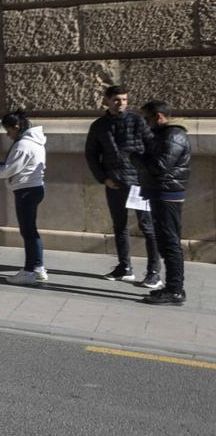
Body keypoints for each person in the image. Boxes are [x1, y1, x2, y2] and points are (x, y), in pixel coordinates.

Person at [85, 85, 160, 287]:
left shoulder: (137, 120)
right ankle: (124, 267)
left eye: (125, 100)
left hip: (139, 182)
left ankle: (154, 271)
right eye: (117, 100)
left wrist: (147, 174)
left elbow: (152, 147)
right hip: (114, 182)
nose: (122, 103)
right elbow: (91, 154)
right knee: (120, 226)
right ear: (107, 100)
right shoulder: (99, 125)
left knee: (147, 227)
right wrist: (103, 178)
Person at [130, 100, 190, 305]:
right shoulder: (164, 135)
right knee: (165, 241)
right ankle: (172, 287)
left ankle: (175, 290)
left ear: (158, 117)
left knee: (170, 242)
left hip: (167, 195)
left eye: (147, 119)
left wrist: (135, 157)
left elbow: (160, 166)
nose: (145, 124)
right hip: (160, 193)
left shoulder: (174, 135)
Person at [0, 109, 47, 285]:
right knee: (31, 231)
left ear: (16, 127)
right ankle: (38, 268)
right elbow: (18, 165)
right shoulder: (34, 141)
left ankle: (29, 270)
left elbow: (9, 170)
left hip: (26, 190)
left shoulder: (23, 144)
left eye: (9, 131)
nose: (8, 135)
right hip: (34, 188)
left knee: (28, 231)